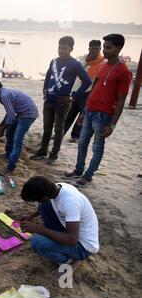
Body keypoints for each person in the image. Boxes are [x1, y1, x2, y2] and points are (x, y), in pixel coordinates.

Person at [63, 34, 133, 188]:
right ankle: (78, 170)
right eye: (105, 47)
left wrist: (112, 125)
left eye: (109, 47)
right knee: (82, 143)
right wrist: (83, 111)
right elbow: (93, 88)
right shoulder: (103, 65)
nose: (105, 51)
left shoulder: (123, 71)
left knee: (97, 146)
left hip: (104, 115)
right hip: (90, 110)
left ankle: (88, 177)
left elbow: (121, 100)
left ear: (119, 48)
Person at [31, 36, 92, 164]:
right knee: (47, 127)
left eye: (64, 48)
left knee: (58, 129)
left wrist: (73, 96)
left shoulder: (75, 64)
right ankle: (42, 151)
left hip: (62, 104)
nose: (61, 50)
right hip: (49, 101)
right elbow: (48, 76)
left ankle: (54, 154)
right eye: (59, 47)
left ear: (71, 49)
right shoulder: (53, 61)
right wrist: (45, 90)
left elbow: (87, 81)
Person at [19, 176, 99, 266]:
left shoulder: (70, 203)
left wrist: (39, 229)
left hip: (83, 247)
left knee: (36, 242)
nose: (37, 202)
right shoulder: (57, 187)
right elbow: (45, 204)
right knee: (44, 206)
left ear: (44, 197)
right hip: (73, 231)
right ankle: (56, 240)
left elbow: (72, 240)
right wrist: (31, 216)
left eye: (37, 200)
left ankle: (69, 260)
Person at [0, 79, 39, 175]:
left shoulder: (4, 95)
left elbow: (11, 116)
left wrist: (2, 129)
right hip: (20, 113)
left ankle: (10, 168)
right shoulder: (2, 93)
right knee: (10, 132)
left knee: (17, 140)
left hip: (28, 114)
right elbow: (10, 112)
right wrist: (1, 125)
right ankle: (8, 154)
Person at [64, 40, 106, 143]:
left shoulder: (102, 62)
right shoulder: (84, 58)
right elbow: (77, 68)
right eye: (91, 49)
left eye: (96, 49)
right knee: (70, 113)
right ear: (89, 49)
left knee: (82, 113)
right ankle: (61, 133)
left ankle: (75, 136)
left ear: (100, 49)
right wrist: (87, 61)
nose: (94, 51)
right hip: (78, 89)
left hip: (90, 91)